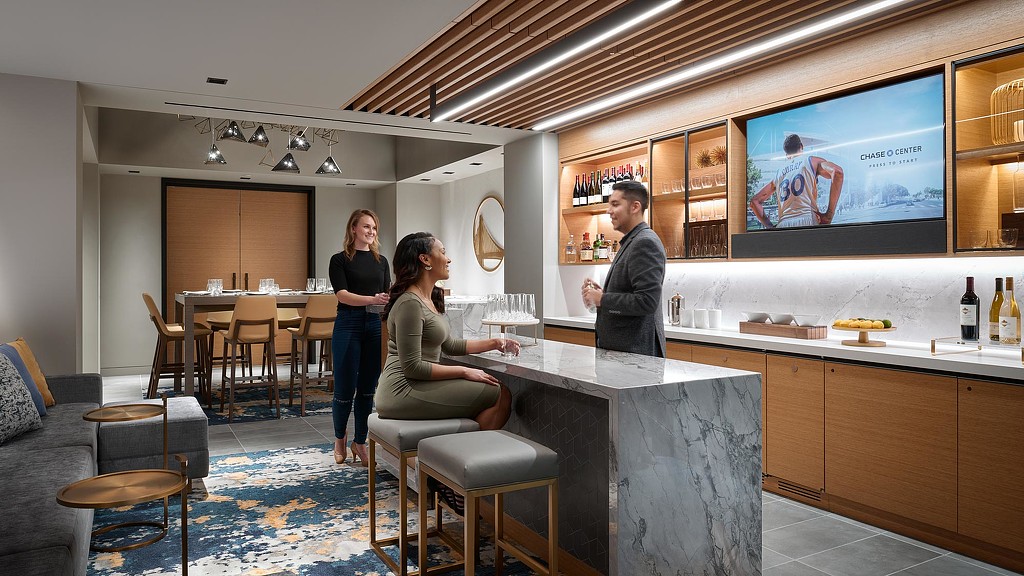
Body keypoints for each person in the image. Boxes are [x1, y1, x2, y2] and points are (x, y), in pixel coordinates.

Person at [374, 232, 516, 431]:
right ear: (425, 260)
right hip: (401, 390)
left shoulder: (427, 299)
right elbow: (413, 367)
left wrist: (495, 342)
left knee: (498, 391)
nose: (448, 259)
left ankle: (459, 447)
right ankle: (465, 449)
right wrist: (465, 371)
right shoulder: (410, 303)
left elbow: (450, 345)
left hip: (416, 384)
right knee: (499, 393)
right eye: (442, 252)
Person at [330, 209, 391, 466]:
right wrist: (372, 299)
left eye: (374, 228)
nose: (371, 231)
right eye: (366, 226)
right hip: (348, 324)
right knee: (344, 389)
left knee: (367, 389)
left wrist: (385, 300)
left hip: (375, 326)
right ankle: (339, 439)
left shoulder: (382, 261)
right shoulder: (339, 260)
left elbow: (386, 294)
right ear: (353, 228)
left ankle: (360, 442)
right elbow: (342, 295)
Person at [581, 180, 667, 357]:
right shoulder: (633, 241)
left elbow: (647, 301)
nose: (609, 211)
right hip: (623, 354)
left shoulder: (645, 242)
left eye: (615, 204)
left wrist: (603, 299)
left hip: (636, 356)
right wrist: (602, 295)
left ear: (635, 207)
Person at [749, 133, 845, 229]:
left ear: (787, 155)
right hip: (808, 218)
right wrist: (829, 214)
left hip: (783, 224)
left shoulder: (778, 174)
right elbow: (837, 172)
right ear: (801, 146)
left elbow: (754, 202)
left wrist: (770, 226)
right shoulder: (811, 161)